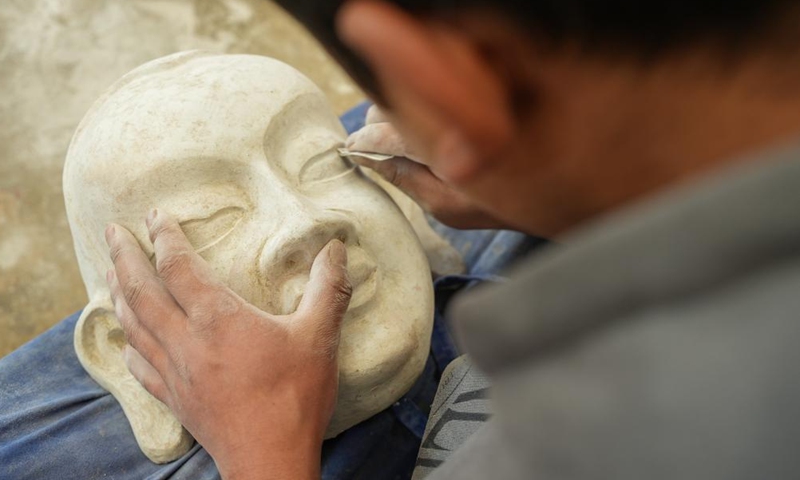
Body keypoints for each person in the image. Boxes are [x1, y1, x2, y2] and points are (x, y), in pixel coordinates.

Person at [5, 0, 800, 477]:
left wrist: (264, 455)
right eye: (211, 215)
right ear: (120, 351)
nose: (306, 220)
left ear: (453, 87)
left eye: (317, 165)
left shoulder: (597, 436)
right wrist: (561, 185)